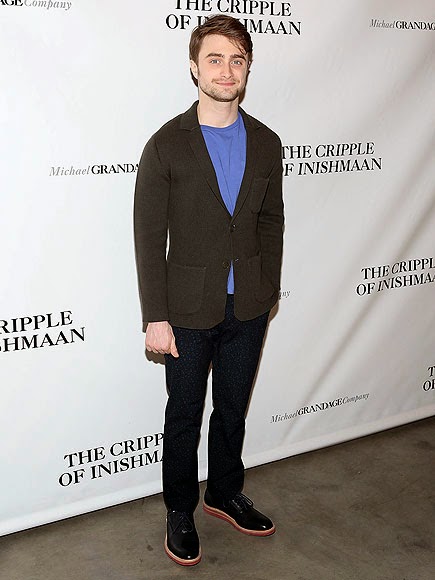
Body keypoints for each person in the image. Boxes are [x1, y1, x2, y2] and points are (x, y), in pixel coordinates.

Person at [134, 14, 284, 566]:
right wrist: (155, 316)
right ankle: (179, 509)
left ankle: (223, 491)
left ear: (247, 70)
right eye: (215, 59)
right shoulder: (165, 144)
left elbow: (271, 221)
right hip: (187, 308)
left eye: (237, 60)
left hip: (248, 304)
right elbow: (149, 237)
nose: (226, 70)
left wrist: (268, 287)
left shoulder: (267, 142)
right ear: (195, 68)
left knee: (233, 408)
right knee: (184, 414)